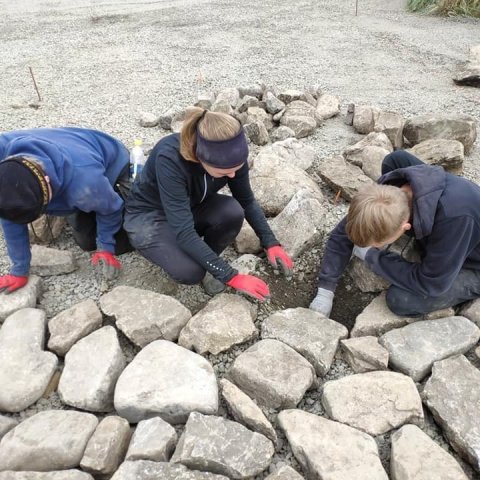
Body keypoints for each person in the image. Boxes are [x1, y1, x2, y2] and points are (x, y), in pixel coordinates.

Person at [124, 107, 293, 300]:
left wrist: (270, 242)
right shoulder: (169, 158)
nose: (232, 175)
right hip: (150, 217)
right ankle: (173, 252)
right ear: (201, 158)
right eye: (224, 173)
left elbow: (246, 201)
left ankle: (208, 261)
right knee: (190, 272)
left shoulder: (232, 157)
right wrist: (231, 276)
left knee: (232, 212)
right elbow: (185, 232)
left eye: (235, 170)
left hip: (189, 205)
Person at [310, 150, 480, 317]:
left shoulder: (454, 219)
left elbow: (431, 283)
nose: (373, 247)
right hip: (459, 222)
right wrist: (325, 290)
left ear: (406, 227)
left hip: (474, 262)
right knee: (395, 159)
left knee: (401, 300)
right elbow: (346, 231)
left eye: (377, 244)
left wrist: (373, 257)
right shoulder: (393, 185)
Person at [0, 127, 133, 293]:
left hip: (111, 157)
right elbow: (9, 216)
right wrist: (19, 270)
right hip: (68, 145)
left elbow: (112, 209)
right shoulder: (3, 148)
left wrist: (106, 246)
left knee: (88, 241)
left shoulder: (86, 185)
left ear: (48, 183)